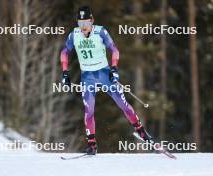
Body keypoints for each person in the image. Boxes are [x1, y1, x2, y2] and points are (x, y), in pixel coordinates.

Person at [60, 6, 152, 155]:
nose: (83, 27)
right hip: (87, 76)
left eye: (87, 23)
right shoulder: (74, 35)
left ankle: (142, 132)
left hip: (104, 73)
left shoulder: (100, 32)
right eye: (80, 23)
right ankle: (92, 144)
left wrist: (114, 69)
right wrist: (65, 72)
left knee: (123, 104)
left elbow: (114, 49)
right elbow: (64, 52)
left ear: (92, 21)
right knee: (88, 110)